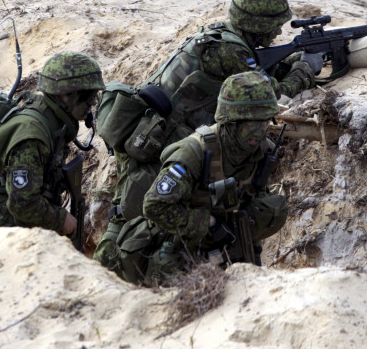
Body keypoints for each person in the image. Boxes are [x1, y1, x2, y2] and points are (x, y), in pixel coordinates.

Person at [94, 0, 317, 267]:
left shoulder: (223, 35)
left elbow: (261, 71)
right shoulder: (230, 51)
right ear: (255, 24)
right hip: (159, 145)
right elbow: (268, 94)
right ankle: (107, 273)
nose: (278, 31)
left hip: (157, 135)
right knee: (135, 217)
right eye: (274, 24)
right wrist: (305, 70)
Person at [102, 71, 287, 285]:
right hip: (175, 243)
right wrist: (206, 223)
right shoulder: (195, 151)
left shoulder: (262, 151)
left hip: (222, 243)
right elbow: (154, 206)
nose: (260, 131)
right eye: (252, 124)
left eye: (265, 122)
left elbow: (252, 200)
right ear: (231, 121)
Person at [0, 51, 104, 236]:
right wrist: (59, 219)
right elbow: (22, 204)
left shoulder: (52, 123)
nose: (92, 104)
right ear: (66, 95)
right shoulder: (33, 137)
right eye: (88, 97)